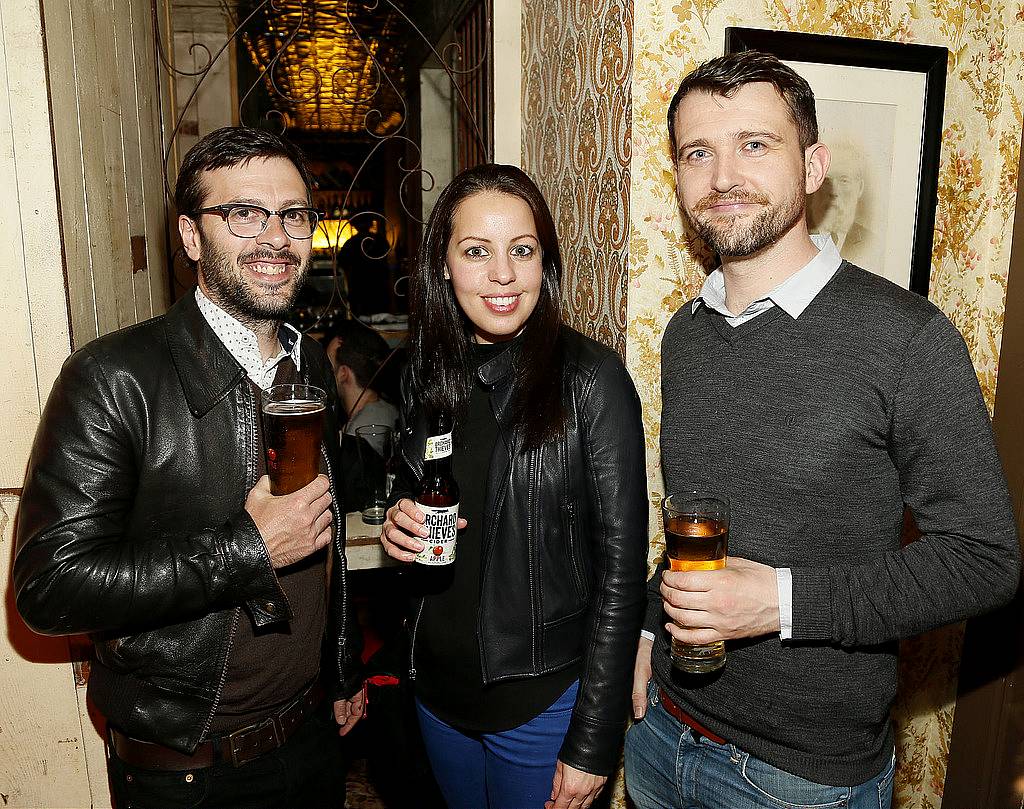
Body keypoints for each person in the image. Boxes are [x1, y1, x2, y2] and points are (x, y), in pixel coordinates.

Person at [624, 51, 1020, 809]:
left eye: (755, 144)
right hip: (660, 737)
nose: (723, 176)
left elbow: (986, 559)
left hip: (797, 781)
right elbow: (692, 522)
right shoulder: (686, 334)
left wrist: (780, 601)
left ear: (813, 167)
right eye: (697, 152)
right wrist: (647, 628)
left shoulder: (908, 339)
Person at [14, 126, 364, 809]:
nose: (275, 237)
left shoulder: (309, 364)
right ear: (191, 236)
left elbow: (324, 536)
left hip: (312, 738)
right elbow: (48, 586)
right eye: (244, 214)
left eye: (293, 215)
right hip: (190, 772)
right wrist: (246, 547)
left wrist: (343, 666)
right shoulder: (114, 377)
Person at [380, 163, 648, 809]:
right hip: (437, 695)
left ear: (543, 263)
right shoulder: (425, 371)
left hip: (539, 704)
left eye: (521, 250)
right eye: (477, 251)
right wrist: (396, 523)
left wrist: (592, 740)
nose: (503, 274)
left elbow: (621, 573)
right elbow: (414, 493)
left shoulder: (591, 380)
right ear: (444, 264)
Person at [323, 317, 399, 445]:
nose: (324, 373)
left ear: (343, 373)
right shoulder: (387, 408)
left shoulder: (359, 434)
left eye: (328, 366)